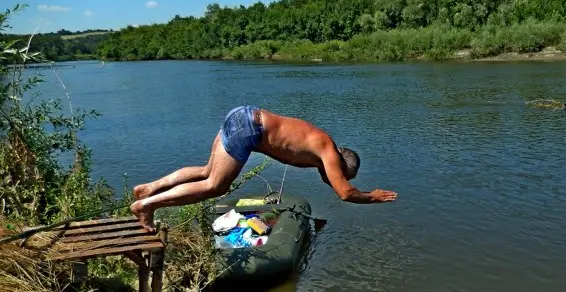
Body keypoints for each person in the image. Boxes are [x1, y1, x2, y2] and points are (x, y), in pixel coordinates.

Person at [130, 105, 398, 232]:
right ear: (341, 164)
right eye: (340, 175)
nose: (332, 179)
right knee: (216, 186)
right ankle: (148, 205)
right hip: (250, 128)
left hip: (244, 115)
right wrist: (371, 196)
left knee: (205, 172)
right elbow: (345, 193)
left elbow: (334, 184)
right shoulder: (328, 150)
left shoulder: (322, 146)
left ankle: (148, 189)